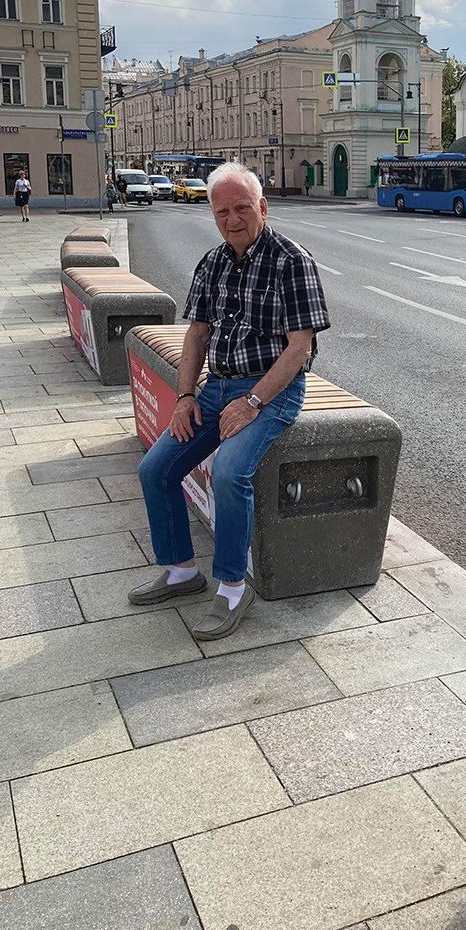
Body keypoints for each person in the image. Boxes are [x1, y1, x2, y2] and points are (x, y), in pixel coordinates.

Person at [129, 162, 330, 640]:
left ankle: (234, 587)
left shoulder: (292, 260)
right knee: (155, 470)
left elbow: (299, 349)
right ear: (213, 214)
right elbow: (196, 335)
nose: (233, 219)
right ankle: (181, 571)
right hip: (214, 388)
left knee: (228, 472)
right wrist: (183, 396)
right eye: (223, 212)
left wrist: (254, 402)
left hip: (272, 390)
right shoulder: (212, 262)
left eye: (242, 208)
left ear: (263, 206)